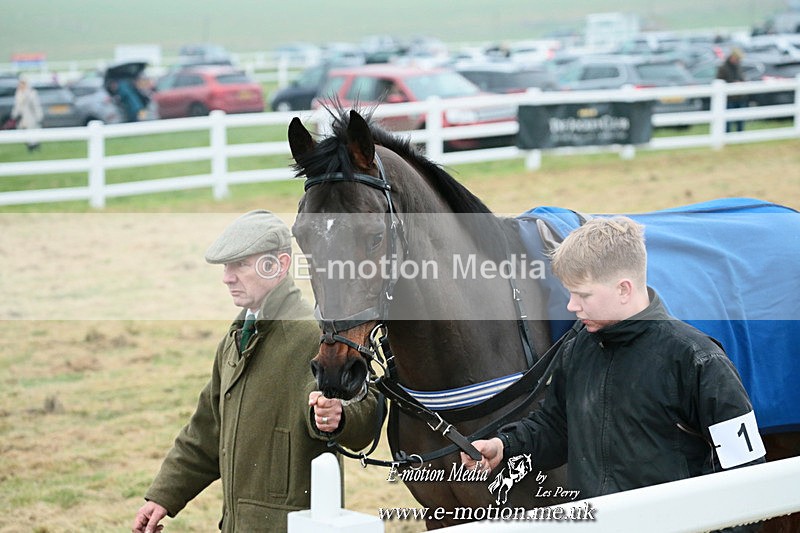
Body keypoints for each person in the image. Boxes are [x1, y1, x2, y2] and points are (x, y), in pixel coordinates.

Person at [462, 217, 765, 520]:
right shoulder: (577, 347)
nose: (571, 306)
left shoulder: (698, 360)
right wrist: (504, 446)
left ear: (623, 289)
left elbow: (747, 472)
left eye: (583, 295)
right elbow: (558, 427)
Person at [132, 210, 378, 533]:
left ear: (281, 266)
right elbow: (206, 432)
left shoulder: (315, 335)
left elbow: (369, 404)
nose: (227, 277)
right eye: (226, 266)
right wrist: (162, 497)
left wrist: (339, 417)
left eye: (241, 265)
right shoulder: (233, 341)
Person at [716, 49, 746, 133]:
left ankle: (740, 136)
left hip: (739, 97)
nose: (738, 61)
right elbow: (719, 80)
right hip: (729, 98)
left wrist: (741, 82)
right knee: (727, 120)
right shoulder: (723, 67)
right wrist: (732, 83)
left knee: (740, 119)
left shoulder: (738, 66)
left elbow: (742, 77)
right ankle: (727, 136)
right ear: (733, 57)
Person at [11, 77, 43, 152]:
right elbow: (17, 106)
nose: (21, 85)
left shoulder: (32, 93)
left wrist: (39, 116)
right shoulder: (18, 93)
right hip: (22, 117)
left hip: (30, 116)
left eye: (23, 84)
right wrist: (14, 115)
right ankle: (30, 145)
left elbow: (36, 105)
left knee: (32, 131)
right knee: (23, 131)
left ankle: (33, 146)